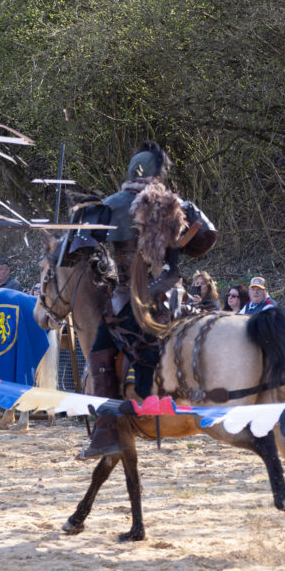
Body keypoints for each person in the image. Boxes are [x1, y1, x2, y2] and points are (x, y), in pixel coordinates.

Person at [77, 141, 215, 460]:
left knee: (99, 351)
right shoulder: (176, 206)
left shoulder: (112, 206)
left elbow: (77, 250)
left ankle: (107, 431)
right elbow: (206, 237)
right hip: (176, 296)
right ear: (159, 173)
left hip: (129, 300)